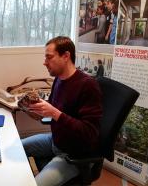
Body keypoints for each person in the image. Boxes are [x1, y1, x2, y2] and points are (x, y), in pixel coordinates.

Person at [22, 36, 103, 186]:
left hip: (74, 155)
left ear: (66, 56)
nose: (44, 62)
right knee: (17, 148)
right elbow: (54, 109)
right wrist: (36, 108)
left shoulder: (88, 86)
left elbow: (89, 133)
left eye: (49, 57)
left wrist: (54, 113)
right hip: (56, 141)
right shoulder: (59, 79)